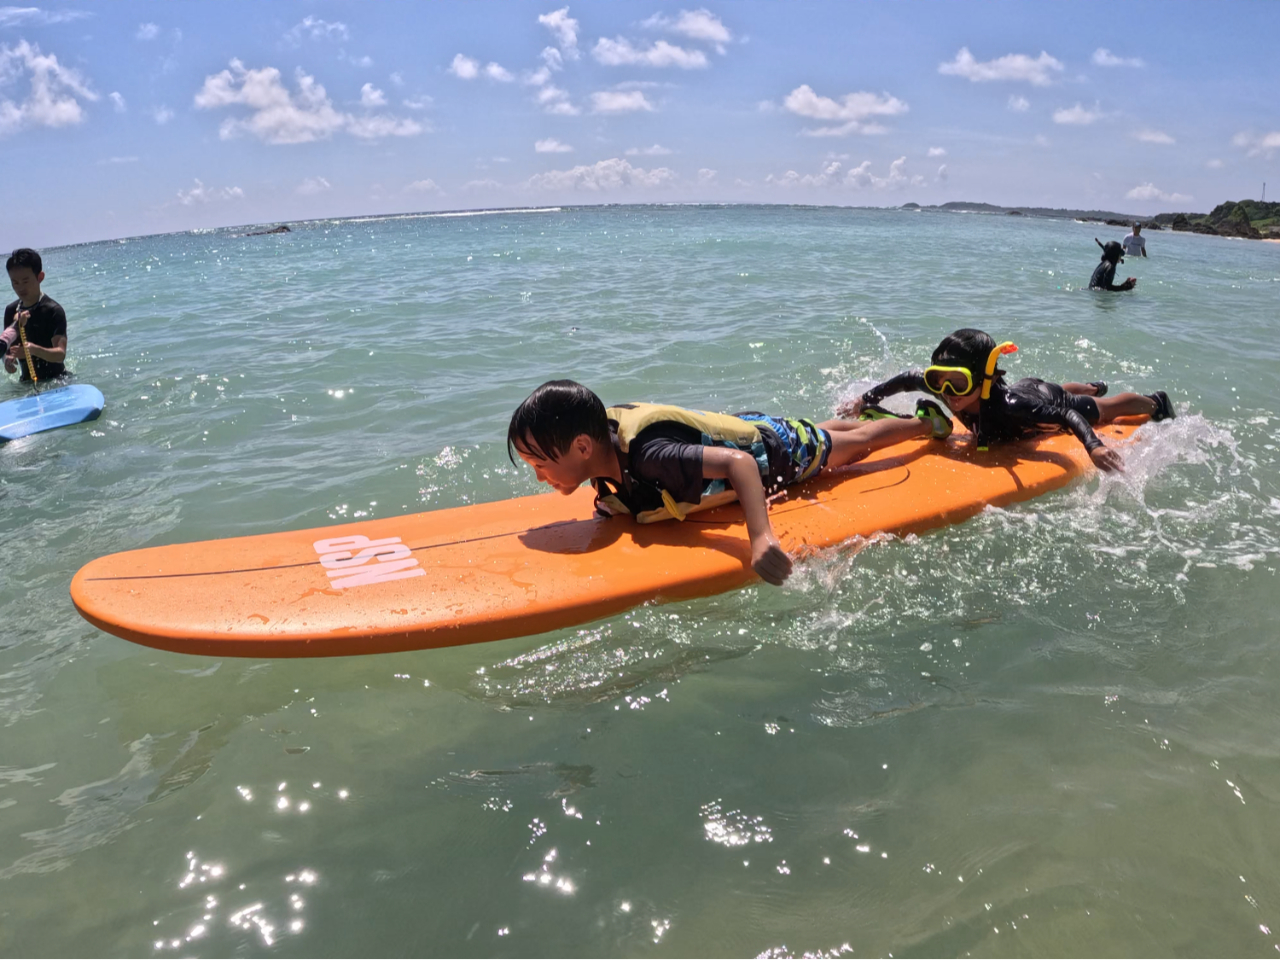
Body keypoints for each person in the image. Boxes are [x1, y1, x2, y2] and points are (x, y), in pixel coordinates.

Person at [507, 380, 953, 585]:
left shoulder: (649, 456)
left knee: (853, 448)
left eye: (540, 464)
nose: (539, 475)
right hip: (753, 430)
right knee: (822, 436)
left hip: (773, 455)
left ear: (583, 446)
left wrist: (760, 538)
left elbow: (739, 463)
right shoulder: (605, 452)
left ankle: (923, 422)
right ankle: (858, 422)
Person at [835, 328, 1175, 474]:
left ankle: (1152, 401)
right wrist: (864, 400)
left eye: (958, 382)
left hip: (1039, 397)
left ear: (984, 378)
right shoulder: (948, 387)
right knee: (1051, 387)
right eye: (939, 380)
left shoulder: (1012, 407)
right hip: (1030, 387)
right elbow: (905, 380)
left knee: (1102, 409)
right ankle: (1089, 385)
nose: (947, 392)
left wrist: (1094, 446)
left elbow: (1067, 415)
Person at [4, 248, 67, 382]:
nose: (20, 287)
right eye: (15, 282)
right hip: (26, 382)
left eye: (25, 281)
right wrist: (8, 361)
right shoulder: (11, 311)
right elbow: (7, 349)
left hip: (57, 380)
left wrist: (33, 350)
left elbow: (60, 354)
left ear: (40, 277)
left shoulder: (53, 310)